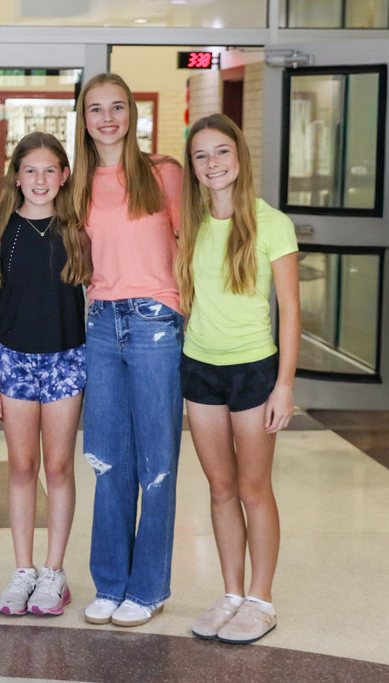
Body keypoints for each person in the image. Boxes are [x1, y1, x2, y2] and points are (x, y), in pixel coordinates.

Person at [176, 113, 300, 644]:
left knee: (253, 489)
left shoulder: (271, 222)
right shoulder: (190, 220)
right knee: (221, 488)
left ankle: (261, 600)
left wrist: (285, 385)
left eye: (221, 152)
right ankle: (230, 594)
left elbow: (291, 310)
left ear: (239, 156)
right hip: (199, 367)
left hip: (254, 370)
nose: (212, 164)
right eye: (201, 155)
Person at [70, 73, 184, 627]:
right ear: (83, 118)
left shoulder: (163, 174)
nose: (107, 118)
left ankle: (150, 586)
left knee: (156, 463)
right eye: (96, 109)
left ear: (132, 113)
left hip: (155, 323)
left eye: (117, 107)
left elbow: (191, 247)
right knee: (107, 460)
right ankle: (111, 582)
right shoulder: (77, 184)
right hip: (99, 323)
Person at [0, 132, 85, 616]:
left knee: (58, 467)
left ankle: (53, 572)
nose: (40, 180)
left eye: (49, 170)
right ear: (16, 176)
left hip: (67, 360)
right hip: (13, 362)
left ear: (63, 176)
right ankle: (23, 571)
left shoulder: (78, 229)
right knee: (22, 468)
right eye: (30, 170)